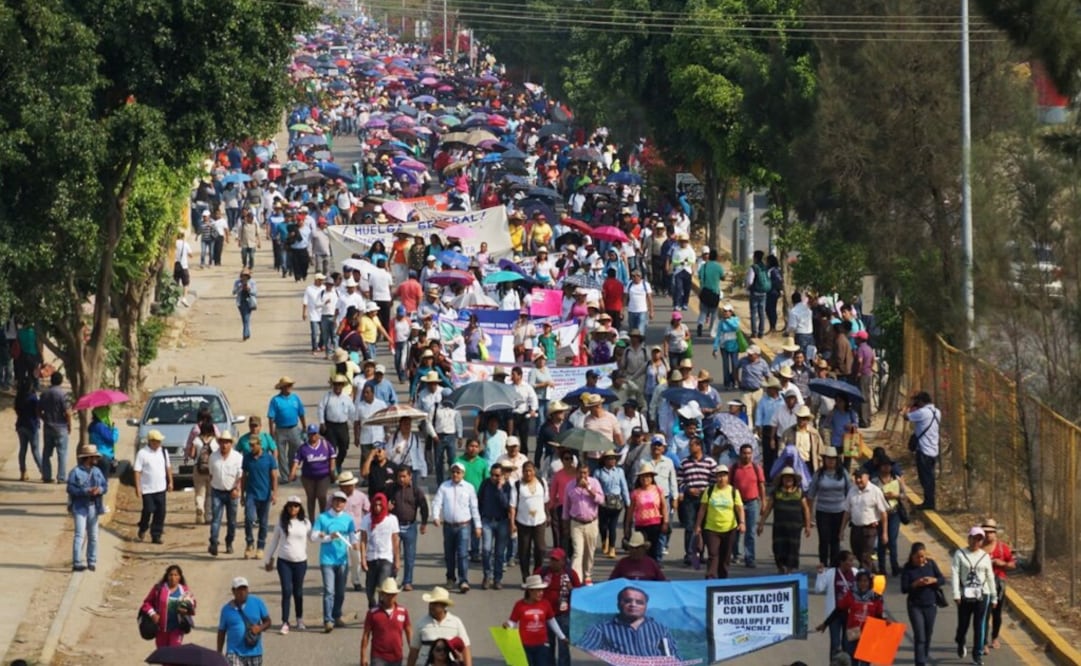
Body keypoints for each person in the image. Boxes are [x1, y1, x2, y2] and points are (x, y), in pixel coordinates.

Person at [579, 585, 682, 659]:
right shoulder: (600, 630)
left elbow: (673, 656)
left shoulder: (659, 629)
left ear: (646, 606)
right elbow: (581, 654)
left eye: (639, 602)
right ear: (618, 604)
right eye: (627, 601)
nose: (633, 605)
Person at [432, 462, 482, 593]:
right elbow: (437, 502)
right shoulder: (444, 486)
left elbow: (474, 508)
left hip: (464, 526)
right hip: (448, 526)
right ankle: (450, 578)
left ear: (463, 474)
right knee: (449, 554)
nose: (455, 474)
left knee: (463, 554)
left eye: (458, 472)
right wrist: (436, 516)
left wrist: (478, 526)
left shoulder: (469, 488)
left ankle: (463, 580)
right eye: (453, 472)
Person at [264, 495, 311, 634]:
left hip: (300, 562)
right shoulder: (281, 522)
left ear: (300, 508)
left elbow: (313, 538)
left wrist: (326, 536)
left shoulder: (305, 523)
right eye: (290, 506)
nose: (293, 508)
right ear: (286, 507)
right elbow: (274, 542)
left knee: (298, 591)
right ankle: (285, 621)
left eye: (296, 506)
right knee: (286, 591)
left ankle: (299, 619)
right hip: (284, 561)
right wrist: (268, 559)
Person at [311, 490, 356, 633]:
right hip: (327, 560)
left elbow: (352, 536)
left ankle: (337, 615)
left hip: (342, 560)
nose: (338, 503)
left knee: (340, 591)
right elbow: (313, 537)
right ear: (332, 502)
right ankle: (328, 620)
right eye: (336, 500)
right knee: (329, 590)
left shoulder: (348, 519)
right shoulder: (323, 518)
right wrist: (327, 537)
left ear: (344, 504)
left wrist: (355, 543)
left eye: (341, 501)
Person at [952, 526, 996, 664]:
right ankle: (960, 641)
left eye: (979, 539)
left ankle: (977, 653)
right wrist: (956, 594)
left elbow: (990, 576)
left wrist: (994, 596)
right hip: (965, 595)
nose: (976, 541)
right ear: (969, 538)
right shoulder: (960, 554)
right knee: (963, 624)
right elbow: (954, 574)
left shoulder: (985, 556)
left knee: (979, 625)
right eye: (974, 538)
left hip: (983, 594)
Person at [504, 575, 568, 666]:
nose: (541, 593)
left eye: (542, 590)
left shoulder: (545, 604)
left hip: (542, 645)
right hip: (525, 645)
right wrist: (507, 625)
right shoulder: (519, 605)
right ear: (530, 591)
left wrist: (562, 637)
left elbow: (552, 621)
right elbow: (513, 621)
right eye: (538, 590)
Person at [694, 465, 745, 578]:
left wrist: (742, 522)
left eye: (724, 476)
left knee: (725, 556)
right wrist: (698, 526)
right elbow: (702, 509)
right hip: (711, 528)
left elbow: (739, 508)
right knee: (713, 554)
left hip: (729, 529)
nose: (721, 478)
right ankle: (710, 576)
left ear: (728, 477)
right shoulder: (710, 490)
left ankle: (723, 578)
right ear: (716, 477)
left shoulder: (733, 491)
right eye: (719, 476)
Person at [758, 466, 812, 574]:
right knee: (778, 547)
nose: (788, 480)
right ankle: (780, 568)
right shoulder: (776, 493)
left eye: (790, 478)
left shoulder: (799, 493)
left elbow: (806, 509)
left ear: (794, 480)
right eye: (786, 478)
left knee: (793, 548)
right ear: (782, 480)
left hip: (794, 528)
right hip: (779, 527)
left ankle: (789, 570)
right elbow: (768, 509)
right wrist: (761, 523)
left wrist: (807, 525)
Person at [900, 542, 947, 666]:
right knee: (920, 636)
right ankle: (920, 662)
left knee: (928, 634)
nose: (921, 559)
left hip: (930, 604)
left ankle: (923, 657)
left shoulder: (931, 564)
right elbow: (904, 588)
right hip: (915, 605)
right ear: (912, 556)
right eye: (918, 557)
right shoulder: (907, 568)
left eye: (923, 556)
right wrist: (915, 584)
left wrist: (934, 580)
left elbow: (942, 579)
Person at [808, 446, 851, 570]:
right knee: (824, 540)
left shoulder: (843, 473)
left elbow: (850, 493)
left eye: (833, 459)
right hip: (823, 511)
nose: (831, 461)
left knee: (836, 540)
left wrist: (850, 512)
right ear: (824, 459)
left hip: (839, 511)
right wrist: (810, 516)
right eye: (828, 459)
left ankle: (834, 567)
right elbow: (811, 495)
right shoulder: (819, 474)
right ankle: (823, 565)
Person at [407, 587, 473, 666]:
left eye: (435, 604)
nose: (431, 606)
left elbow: (465, 647)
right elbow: (414, 651)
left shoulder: (456, 623)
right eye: (430, 603)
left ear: (444, 605)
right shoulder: (421, 623)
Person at [840, 469, 889, 572]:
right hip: (855, 528)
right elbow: (847, 512)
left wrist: (884, 533)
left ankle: (864, 577)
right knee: (857, 552)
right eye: (856, 478)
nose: (858, 480)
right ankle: (872, 570)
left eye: (860, 477)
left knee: (866, 555)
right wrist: (842, 530)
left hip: (870, 529)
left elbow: (883, 513)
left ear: (867, 477)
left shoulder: (875, 491)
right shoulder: (852, 491)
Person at [677, 436, 716, 565]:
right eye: (689, 445)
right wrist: (688, 489)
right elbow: (679, 480)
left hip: (705, 499)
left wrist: (707, 490)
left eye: (692, 445)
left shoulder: (710, 462)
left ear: (699, 446)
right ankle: (689, 554)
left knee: (704, 527)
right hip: (689, 499)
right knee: (689, 527)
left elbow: (714, 479)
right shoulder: (684, 462)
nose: (690, 447)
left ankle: (701, 553)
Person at [68, 445, 107, 571]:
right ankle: (77, 562)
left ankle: (91, 561)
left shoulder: (97, 471)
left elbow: (105, 486)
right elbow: (70, 489)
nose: (96, 459)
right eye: (94, 457)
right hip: (80, 507)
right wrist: (86, 491)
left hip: (94, 507)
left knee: (93, 536)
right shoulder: (75, 472)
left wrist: (99, 490)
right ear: (88, 458)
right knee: (79, 535)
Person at [563, 463, 604, 583]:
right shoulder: (570, 486)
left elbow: (601, 500)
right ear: (576, 473)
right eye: (580, 473)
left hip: (592, 523)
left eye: (585, 473)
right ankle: (576, 579)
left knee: (589, 552)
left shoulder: (594, 483)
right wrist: (565, 524)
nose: (582, 475)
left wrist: (589, 489)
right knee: (577, 552)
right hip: (576, 523)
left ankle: (587, 575)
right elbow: (566, 506)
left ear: (588, 473)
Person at [831, 570, 884, 662]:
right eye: (860, 581)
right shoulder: (851, 595)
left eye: (865, 581)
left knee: (865, 662)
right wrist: (825, 623)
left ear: (870, 582)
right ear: (857, 582)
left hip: (868, 633)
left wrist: (886, 625)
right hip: (853, 631)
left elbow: (879, 616)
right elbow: (838, 610)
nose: (863, 584)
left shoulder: (876, 598)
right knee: (852, 660)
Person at [217, 577, 271, 666]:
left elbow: (268, 622)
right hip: (234, 653)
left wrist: (260, 628)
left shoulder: (257, 602)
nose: (242, 592)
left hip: (254, 652)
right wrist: (219, 652)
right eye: (239, 590)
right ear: (233, 591)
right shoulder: (226, 610)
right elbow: (222, 631)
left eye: (244, 589)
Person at [360, 493, 401, 609]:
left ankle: (379, 612)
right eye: (375, 505)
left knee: (382, 587)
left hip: (386, 558)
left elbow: (395, 540)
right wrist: (362, 559)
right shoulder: (367, 519)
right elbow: (363, 539)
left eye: (380, 505)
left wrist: (397, 560)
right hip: (371, 557)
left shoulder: (392, 519)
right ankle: (372, 605)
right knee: (369, 589)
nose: (377, 508)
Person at [814, 550, 858, 658]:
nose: (852, 563)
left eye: (853, 560)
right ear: (841, 562)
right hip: (835, 614)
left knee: (850, 645)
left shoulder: (856, 572)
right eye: (849, 560)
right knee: (835, 644)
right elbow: (818, 589)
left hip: (853, 616)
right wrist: (820, 574)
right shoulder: (831, 573)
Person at [242, 432, 279, 560]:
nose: (251, 448)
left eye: (253, 446)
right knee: (249, 518)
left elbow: (274, 477)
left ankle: (260, 547)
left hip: (265, 494)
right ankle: (249, 542)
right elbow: (244, 477)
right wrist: (242, 494)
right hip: (251, 493)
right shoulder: (247, 458)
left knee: (263, 522)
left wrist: (275, 493)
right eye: (250, 446)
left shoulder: (269, 458)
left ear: (259, 445)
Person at [981, 518, 1016, 651]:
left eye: (991, 532)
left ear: (995, 533)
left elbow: (1013, 564)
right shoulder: (977, 547)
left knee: (996, 613)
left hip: (998, 584)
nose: (988, 534)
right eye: (985, 532)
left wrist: (1002, 564)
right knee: (984, 613)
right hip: (982, 584)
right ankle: (983, 641)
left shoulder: (1002, 548)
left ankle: (994, 637)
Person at [207, 430, 244, 557]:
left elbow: (240, 475)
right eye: (222, 442)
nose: (224, 445)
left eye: (227, 442)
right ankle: (213, 542)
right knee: (216, 519)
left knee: (232, 521)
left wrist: (237, 488)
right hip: (217, 491)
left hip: (232, 492)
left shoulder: (238, 457)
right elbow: (211, 473)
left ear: (231, 444)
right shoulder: (213, 457)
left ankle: (229, 542)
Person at [140, 565, 196, 647]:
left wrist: (186, 610)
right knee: (162, 654)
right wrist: (153, 614)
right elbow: (147, 603)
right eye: (171, 575)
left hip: (177, 629)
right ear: (167, 576)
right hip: (161, 629)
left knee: (174, 653)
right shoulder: (158, 589)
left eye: (176, 575)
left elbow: (193, 604)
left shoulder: (184, 590)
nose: (173, 577)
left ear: (180, 577)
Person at [290, 424, 337, 521]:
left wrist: (332, 470)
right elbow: (296, 461)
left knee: (321, 495)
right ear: (308, 435)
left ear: (318, 434)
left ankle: (323, 518)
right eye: (311, 434)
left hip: (323, 475)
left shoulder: (325, 444)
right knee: (311, 497)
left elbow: (332, 457)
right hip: (308, 477)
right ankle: (311, 520)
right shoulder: (303, 448)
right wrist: (293, 472)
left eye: (315, 434)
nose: (313, 436)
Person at [728, 443, 765, 568]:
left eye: (749, 453)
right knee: (735, 530)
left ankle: (750, 557)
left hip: (752, 502)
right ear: (740, 454)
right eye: (744, 453)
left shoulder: (756, 468)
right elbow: (728, 486)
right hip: (736, 503)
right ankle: (736, 555)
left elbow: (761, 485)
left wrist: (764, 502)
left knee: (750, 532)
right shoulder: (734, 468)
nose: (747, 456)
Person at [134, 429, 173, 544]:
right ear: (150, 441)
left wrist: (170, 482)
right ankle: (143, 526)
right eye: (156, 441)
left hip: (161, 488)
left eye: (159, 441)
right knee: (148, 509)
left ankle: (156, 534)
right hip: (147, 489)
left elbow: (168, 467)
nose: (158, 443)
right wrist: (138, 487)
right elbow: (137, 471)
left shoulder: (163, 452)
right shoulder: (142, 453)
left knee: (161, 512)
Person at [624, 461, 669, 563]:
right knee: (641, 550)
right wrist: (627, 527)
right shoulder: (636, 493)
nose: (645, 479)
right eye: (643, 477)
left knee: (654, 549)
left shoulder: (658, 490)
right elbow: (630, 512)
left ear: (652, 478)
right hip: (641, 525)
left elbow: (664, 507)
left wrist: (665, 522)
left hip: (655, 524)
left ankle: (654, 569)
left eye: (648, 476)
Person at [362, 578, 413, 666]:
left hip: (397, 656)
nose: (390, 597)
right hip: (378, 656)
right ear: (382, 594)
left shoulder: (403, 611)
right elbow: (366, 635)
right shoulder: (372, 613)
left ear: (396, 595)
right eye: (387, 594)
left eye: (392, 594)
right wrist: (363, 656)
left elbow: (408, 631)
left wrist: (413, 652)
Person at [903, 391, 940, 510]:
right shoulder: (937, 412)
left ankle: (929, 502)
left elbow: (906, 417)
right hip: (934, 449)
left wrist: (908, 406)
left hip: (923, 450)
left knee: (925, 477)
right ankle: (930, 500)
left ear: (921, 401)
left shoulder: (922, 412)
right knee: (930, 477)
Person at [478, 463, 513, 589]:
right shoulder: (485, 484)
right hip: (487, 521)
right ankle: (487, 576)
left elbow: (507, 505)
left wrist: (500, 489)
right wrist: (479, 518)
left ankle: (497, 579)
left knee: (499, 552)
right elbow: (479, 500)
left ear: (502, 475)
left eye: (497, 475)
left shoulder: (507, 487)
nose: (494, 477)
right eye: (492, 475)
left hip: (502, 521)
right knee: (486, 550)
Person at [871, 454, 907, 576]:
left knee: (892, 540)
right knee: (882, 541)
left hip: (894, 512)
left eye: (889, 465)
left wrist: (895, 496)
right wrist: (883, 496)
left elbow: (904, 495)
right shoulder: (875, 481)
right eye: (884, 465)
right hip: (881, 513)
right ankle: (882, 568)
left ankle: (894, 566)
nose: (887, 468)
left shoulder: (896, 479)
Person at [319, 374, 356, 475]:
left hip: (342, 426)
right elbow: (321, 408)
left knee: (344, 448)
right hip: (330, 426)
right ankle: (332, 469)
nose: (337, 387)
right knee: (331, 449)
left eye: (340, 384)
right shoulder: (327, 396)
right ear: (333, 385)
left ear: (343, 386)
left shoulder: (346, 398)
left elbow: (352, 412)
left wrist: (356, 425)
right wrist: (322, 422)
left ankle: (338, 463)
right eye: (336, 384)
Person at [268, 376, 306, 474]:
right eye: (287, 385)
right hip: (280, 429)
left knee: (296, 450)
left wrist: (304, 427)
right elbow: (271, 417)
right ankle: (285, 476)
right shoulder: (275, 400)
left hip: (293, 428)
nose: (289, 387)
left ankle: (291, 472)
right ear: (282, 387)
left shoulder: (295, 398)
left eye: (290, 385)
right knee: (281, 454)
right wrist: (271, 431)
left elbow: (301, 413)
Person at [596, 450, 630, 559]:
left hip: (616, 502)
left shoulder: (619, 471)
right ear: (604, 460)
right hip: (604, 502)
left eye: (614, 458)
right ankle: (604, 540)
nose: (612, 460)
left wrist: (628, 502)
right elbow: (596, 488)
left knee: (613, 526)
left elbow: (624, 486)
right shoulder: (599, 472)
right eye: (609, 458)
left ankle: (612, 548)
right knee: (603, 525)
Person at [39, 371, 72, 484]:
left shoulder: (45, 393)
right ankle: (61, 477)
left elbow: (38, 410)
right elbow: (67, 413)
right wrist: (69, 425)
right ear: (61, 381)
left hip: (48, 427)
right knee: (62, 453)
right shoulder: (63, 395)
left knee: (46, 453)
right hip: (61, 427)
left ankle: (47, 476)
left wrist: (44, 418)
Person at [14, 377, 42, 482]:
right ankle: (43, 471)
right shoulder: (33, 398)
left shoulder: (19, 397)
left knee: (22, 450)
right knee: (35, 451)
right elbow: (37, 412)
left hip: (21, 425)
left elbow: (17, 411)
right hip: (32, 426)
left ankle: (23, 472)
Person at [87, 406, 118, 478]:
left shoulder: (92, 425)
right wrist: (114, 430)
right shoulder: (101, 426)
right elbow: (112, 439)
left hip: (93, 455)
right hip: (104, 456)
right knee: (103, 482)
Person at [233, 268, 258, 341]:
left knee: (246, 318)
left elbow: (255, 293)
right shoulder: (237, 282)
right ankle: (247, 333)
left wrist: (249, 289)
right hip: (241, 302)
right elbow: (234, 292)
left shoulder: (252, 282)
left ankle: (245, 334)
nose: (244, 277)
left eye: (246, 276)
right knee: (244, 318)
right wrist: (240, 287)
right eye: (243, 275)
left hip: (249, 302)